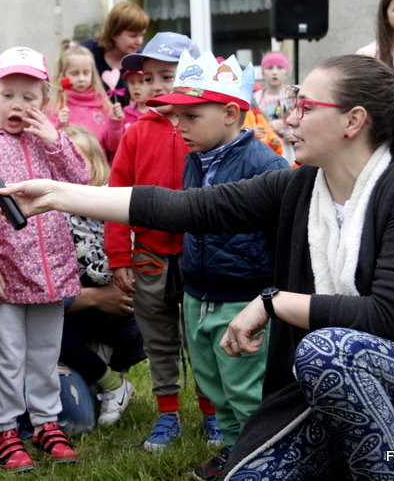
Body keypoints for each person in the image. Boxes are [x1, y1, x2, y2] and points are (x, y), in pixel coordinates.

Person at [0, 54, 394, 480]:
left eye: (304, 106)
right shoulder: (301, 188)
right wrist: (60, 194)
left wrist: (271, 303)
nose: (287, 116)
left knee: (329, 351)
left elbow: (387, 317)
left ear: (353, 120)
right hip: (338, 381)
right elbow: (187, 208)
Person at [146, 51, 290, 480]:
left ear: (230, 112)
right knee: (213, 383)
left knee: (244, 386)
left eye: (190, 116)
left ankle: (257, 458)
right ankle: (233, 447)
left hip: (242, 297)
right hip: (200, 293)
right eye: (175, 116)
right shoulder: (195, 159)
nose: (178, 126)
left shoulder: (266, 165)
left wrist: (270, 297)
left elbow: (284, 240)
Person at [0, 46, 90, 473]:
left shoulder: (51, 145)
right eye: (8, 95)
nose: (18, 105)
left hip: (53, 274)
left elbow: (82, 181)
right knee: (7, 356)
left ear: (45, 102)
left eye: (29, 97)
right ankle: (5, 429)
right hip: (7, 275)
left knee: (45, 355)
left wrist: (56, 140)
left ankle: (47, 421)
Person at [108, 32, 225, 452]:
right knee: (159, 338)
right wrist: (119, 256)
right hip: (151, 255)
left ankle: (214, 415)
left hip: (200, 253)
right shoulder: (137, 133)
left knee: (202, 336)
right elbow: (118, 194)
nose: (156, 86)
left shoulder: (207, 131)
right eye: (150, 77)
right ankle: (167, 414)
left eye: (168, 76)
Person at [60, 126, 145, 427]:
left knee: (138, 329)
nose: (69, 166)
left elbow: (128, 242)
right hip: (77, 301)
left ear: (96, 164)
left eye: (78, 158)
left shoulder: (111, 201)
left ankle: (106, 356)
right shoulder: (52, 210)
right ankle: (112, 384)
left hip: (116, 292)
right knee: (61, 341)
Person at [51, 41, 124, 160]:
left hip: (99, 173)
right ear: (63, 74)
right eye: (74, 73)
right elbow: (49, 146)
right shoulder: (57, 106)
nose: (81, 78)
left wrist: (115, 122)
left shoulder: (104, 105)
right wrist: (59, 125)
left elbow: (113, 146)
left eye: (85, 73)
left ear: (92, 74)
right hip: (66, 173)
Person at [82, 0, 149, 106]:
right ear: (113, 33)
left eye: (142, 35)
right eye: (133, 36)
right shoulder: (86, 53)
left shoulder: (141, 62)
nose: (139, 42)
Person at [253, 52, 293, 164]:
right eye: (270, 68)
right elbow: (251, 125)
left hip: (290, 151)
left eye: (280, 68)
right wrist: (268, 128)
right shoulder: (255, 98)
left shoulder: (294, 95)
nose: (274, 72)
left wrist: (295, 134)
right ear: (263, 72)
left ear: (286, 71)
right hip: (265, 151)